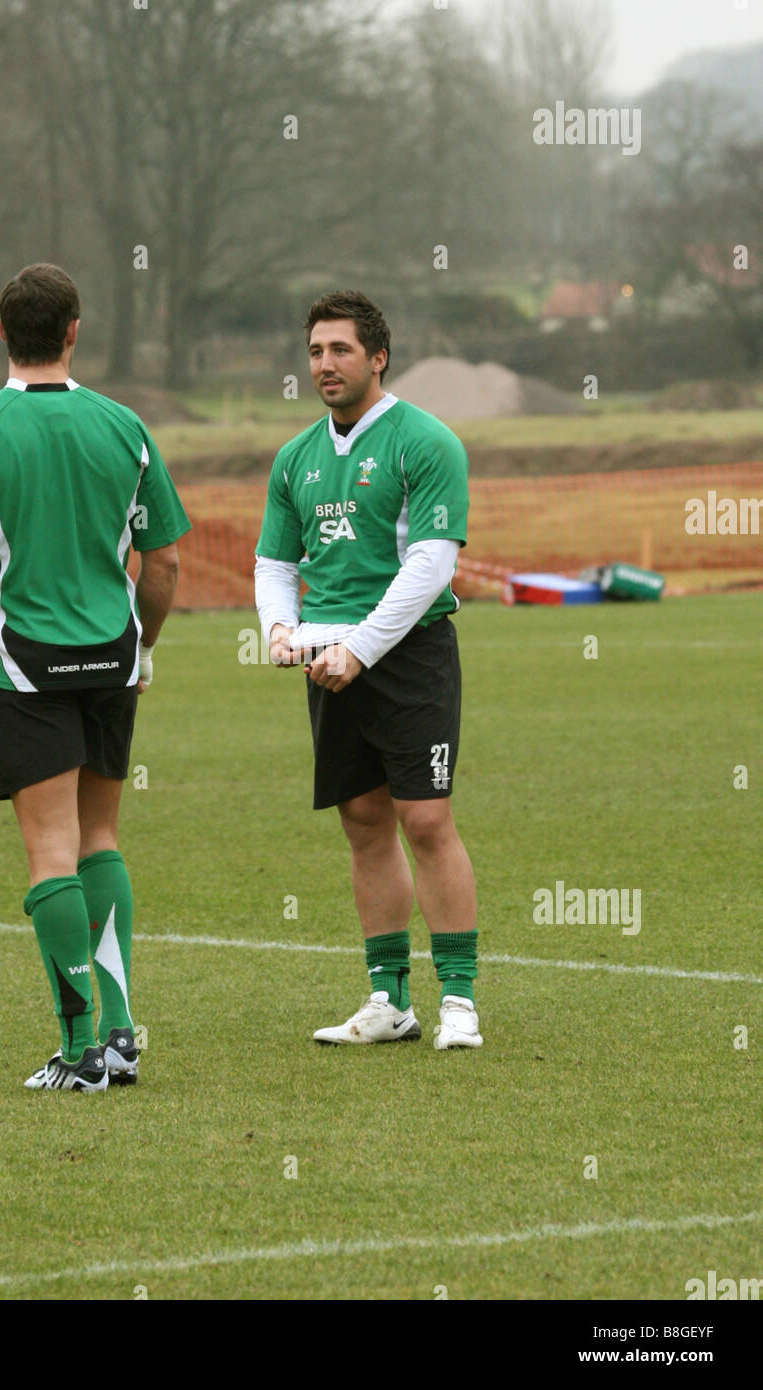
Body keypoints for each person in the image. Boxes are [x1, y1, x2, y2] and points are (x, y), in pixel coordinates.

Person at [0, 263, 191, 1091]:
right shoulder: (124, 425)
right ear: (73, 331)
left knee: (50, 853)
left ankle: (78, 1051)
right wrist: (143, 647)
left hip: (26, 668)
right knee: (100, 841)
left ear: (2, 334)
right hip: (110, 661)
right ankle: (123, 1034)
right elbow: (162, 559)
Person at [254, 290, 482, 1049]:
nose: (325, 364)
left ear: (377, 356)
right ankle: (388, 1001)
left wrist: (360, 648)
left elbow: (430, 565)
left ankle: (458, 1001)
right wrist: (281, 628)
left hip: (408, 652)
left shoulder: (427, 441)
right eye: (315, 351)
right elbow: (274, 561)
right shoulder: (295, 457)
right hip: (328, 654)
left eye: (340, 350)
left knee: (426, 818)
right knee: (362, 822)